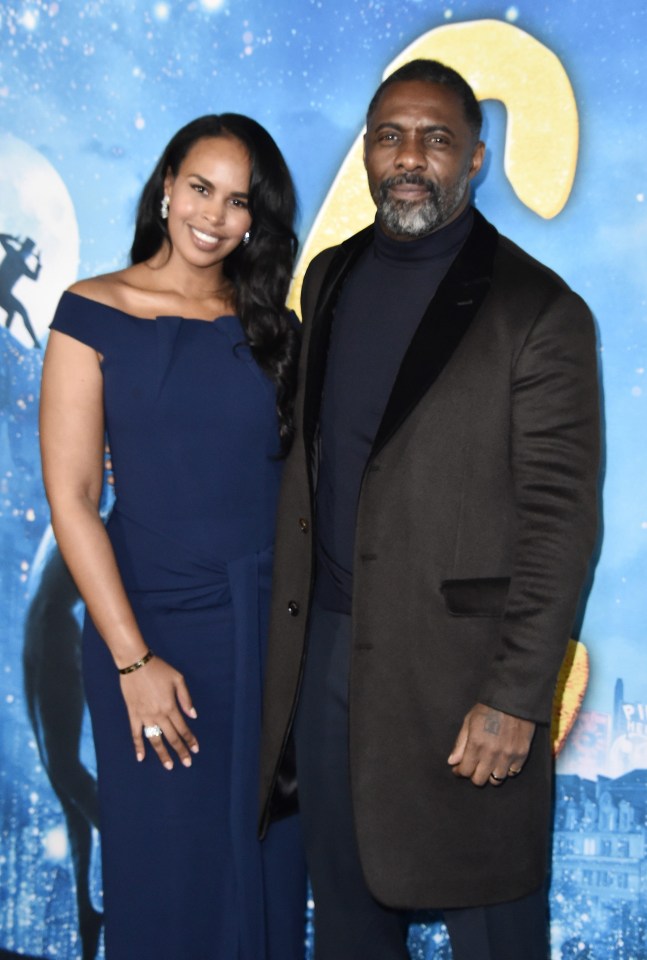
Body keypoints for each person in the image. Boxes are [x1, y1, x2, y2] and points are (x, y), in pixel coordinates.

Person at [259, 60, 600, 960]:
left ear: (476, 158)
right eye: (389, 136)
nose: (409, 157)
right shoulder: (328, 278)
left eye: (435, 138)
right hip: (327, 663)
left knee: (493, 930)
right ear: (368, 150)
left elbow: (561, 522)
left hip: (466, 689)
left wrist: (516, 698)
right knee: (347, 926)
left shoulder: (539, 312)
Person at [40, 114, 306, 960]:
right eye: (200, 187)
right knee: (167, 881)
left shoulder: (277, 329)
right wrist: (131, 660)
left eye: (238, 203)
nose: (214, 216)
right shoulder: (91, 311)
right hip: (149, 633)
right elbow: (74, 499)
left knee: (268, 875)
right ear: (165, 186)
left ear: (255, 222)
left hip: (269, 638)